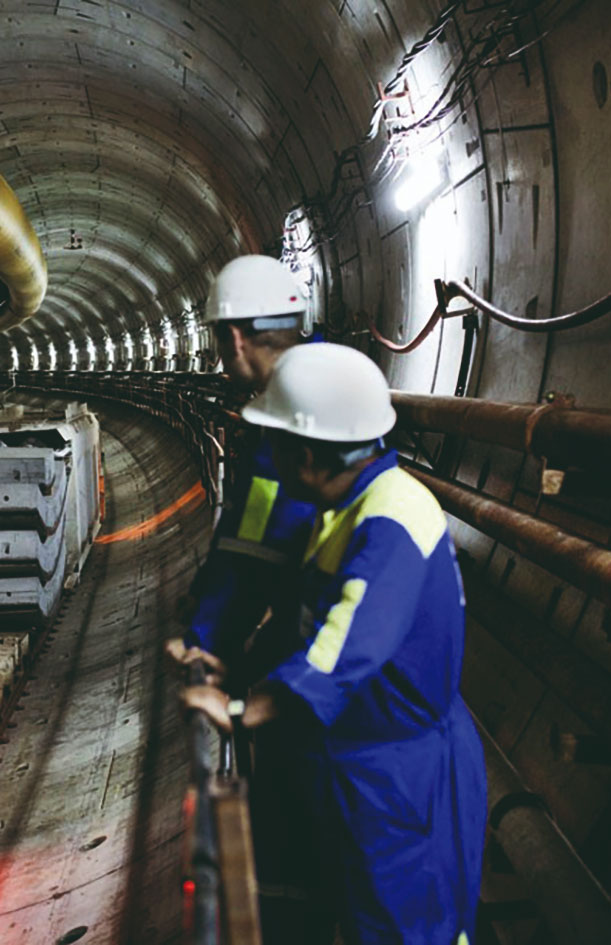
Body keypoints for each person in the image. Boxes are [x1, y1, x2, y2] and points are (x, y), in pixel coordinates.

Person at [182, 343, 487, 945]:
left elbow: (349, 642)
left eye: (275, 445)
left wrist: (245, 710)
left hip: (401, 780)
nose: (268, 460)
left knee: (408, 929)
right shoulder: (343, 509)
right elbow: (303, 620)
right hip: (357, 762)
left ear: (308, 454)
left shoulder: (392, 515)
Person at [163, 255, 328, 937]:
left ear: (233, 338)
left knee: (307, 837)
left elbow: (255, 543)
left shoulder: (284, 413)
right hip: (314, 639)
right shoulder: (327, 379)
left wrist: (209, 640)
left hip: (317, 661)